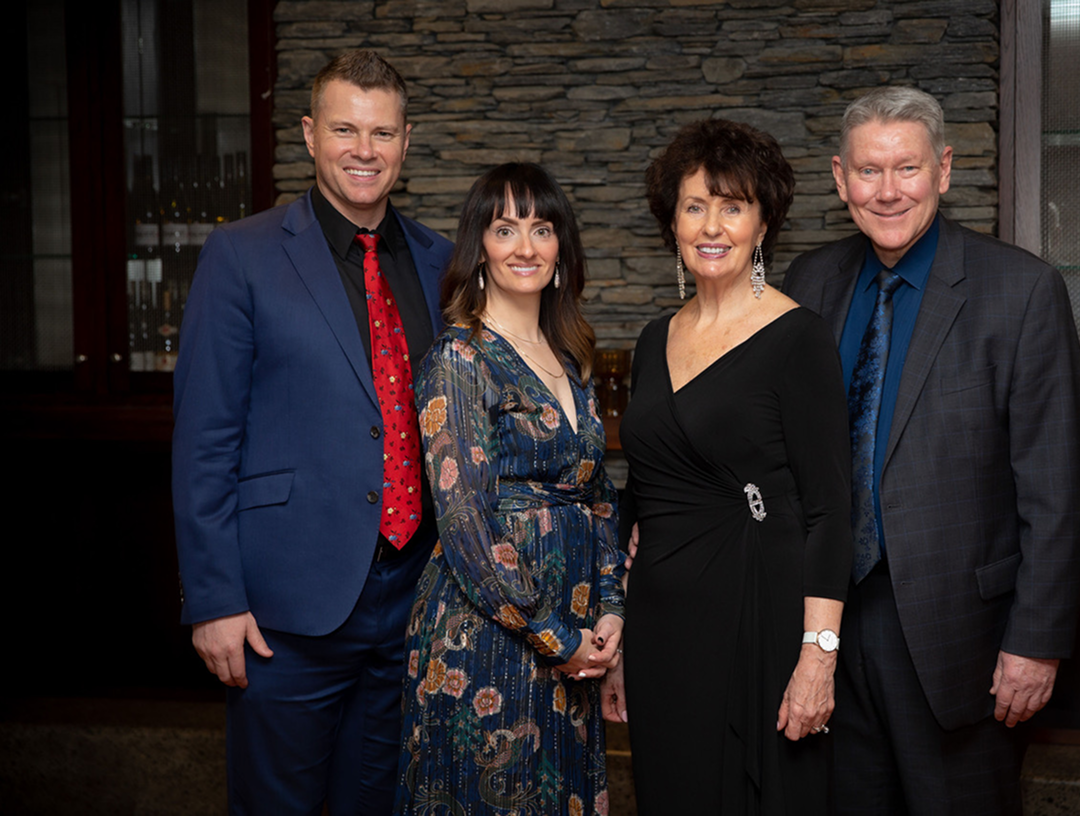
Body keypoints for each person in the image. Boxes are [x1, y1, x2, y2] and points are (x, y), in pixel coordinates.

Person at [782, 86, 1080, 815]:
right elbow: (780, 448)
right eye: (869, 170)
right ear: (840, 178)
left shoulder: (1022, 290)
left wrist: (1036, 642)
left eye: (907, 168)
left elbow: (1057, 486)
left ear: (943, 170)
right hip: (827, 628)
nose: (888, 191)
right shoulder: (810, 283)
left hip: (964, 644)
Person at [172, 50, 453, 814]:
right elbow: (204, 439)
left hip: (413, 604)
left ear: (405, 141)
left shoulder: (441, 261)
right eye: (344, 129)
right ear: (308, 134)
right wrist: (213, 600)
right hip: (284, 613)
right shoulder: (242, 254)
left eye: (382, 133)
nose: (365, 150)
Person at [602, 119, 853, 814]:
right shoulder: (654, 339)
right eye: (695, 206)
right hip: (661, 628)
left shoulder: (798, 338)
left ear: (762, 223)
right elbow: (641, 494)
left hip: (757, 614)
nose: (712, 226)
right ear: (672, 223)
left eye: (732, 206)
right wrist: (619, 639)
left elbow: (831, 511)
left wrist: (819, 656)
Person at [394, 162, 625, 815]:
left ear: (560, 248)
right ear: (479, 250)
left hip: (575, 635)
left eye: (542, 229)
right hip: (485, 642)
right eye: (505, 229)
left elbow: (599, 497)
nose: (526, 246)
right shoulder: (458, 359)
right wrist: (554, 636)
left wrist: (611, 610)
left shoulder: (570, 358)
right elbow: (465, 522)